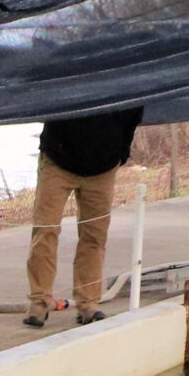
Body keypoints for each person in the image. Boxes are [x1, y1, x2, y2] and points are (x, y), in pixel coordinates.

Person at [25, 106, 142, 328]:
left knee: (94, 237)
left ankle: (88, 303)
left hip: (103, 166)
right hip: (58, 158)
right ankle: (39, 302)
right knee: (45, 230)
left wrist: (120, 153)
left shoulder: (125, 76)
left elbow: (134, 112)